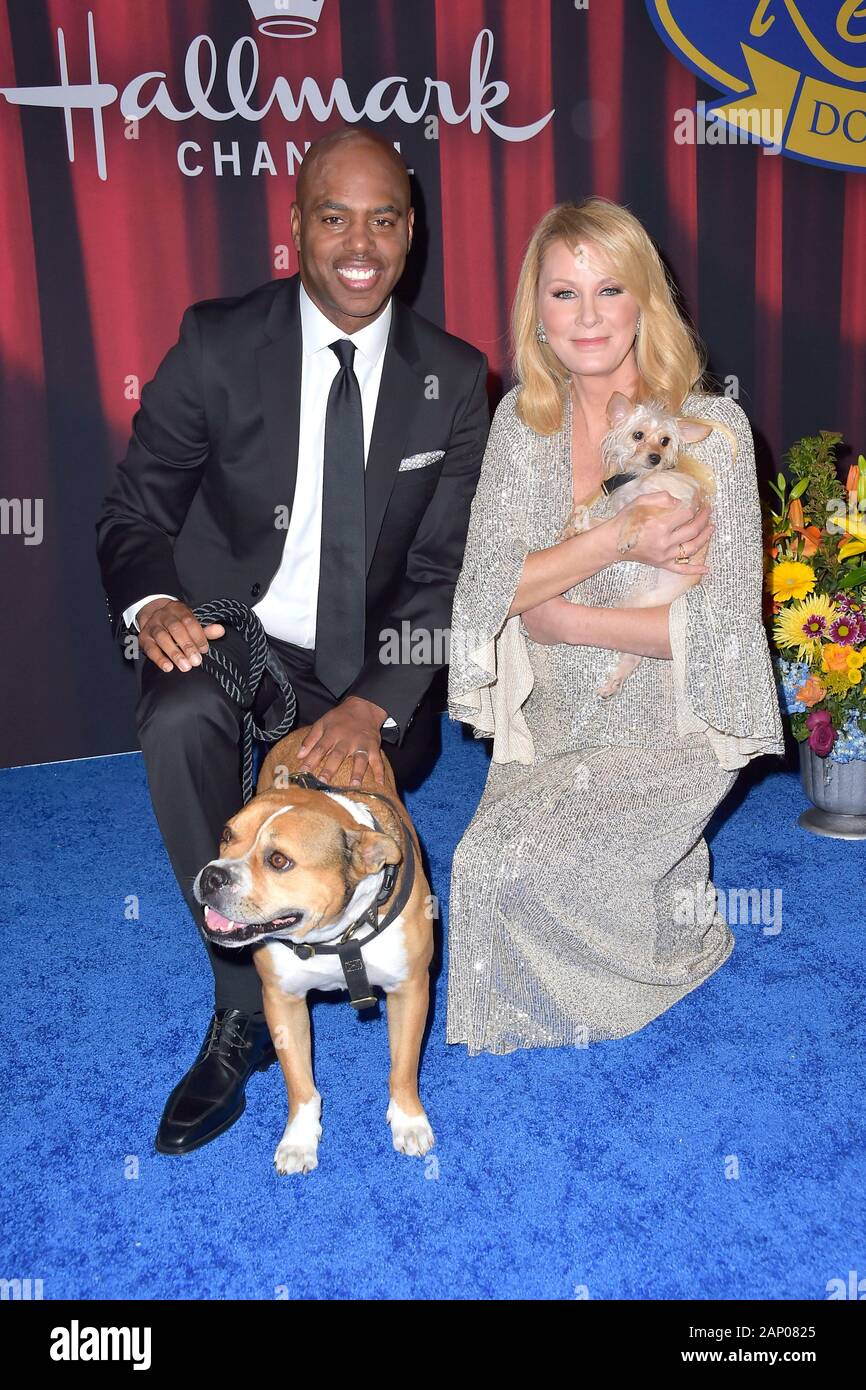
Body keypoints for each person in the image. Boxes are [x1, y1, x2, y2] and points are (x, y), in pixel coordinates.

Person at [95, 128, 490, 1151]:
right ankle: (241, 1002)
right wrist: (156, 606)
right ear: (296, 228)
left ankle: (371, 952)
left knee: (375, 791)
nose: (359, 243)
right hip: (244, 636)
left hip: (369, 672)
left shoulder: (452, 378)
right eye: (333, 216)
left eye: (385, 219)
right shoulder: (219, 345)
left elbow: (444, 573)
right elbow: (132, 514)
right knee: (180, 711)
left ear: (411, 235)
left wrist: (373, 705)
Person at [446, 197, 784, 1057]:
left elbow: (721, 635)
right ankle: (659, 901)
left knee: (504, 873)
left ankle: (675, 930)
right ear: (539, 314)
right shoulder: (524, 429)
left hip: (669, 732)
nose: (588, 316)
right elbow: (488, 588)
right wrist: (618, 535)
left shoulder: (717, 433)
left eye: (609, 289)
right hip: (556, 732)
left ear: (645, 302)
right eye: (564, 294)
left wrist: (565, 617)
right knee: (480, 880)